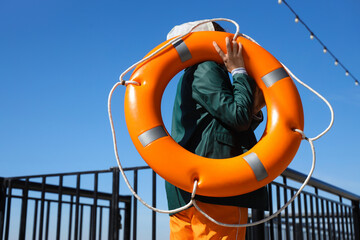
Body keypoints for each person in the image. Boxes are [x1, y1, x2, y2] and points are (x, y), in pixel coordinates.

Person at [165, 21, 268, 240]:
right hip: (215, 186)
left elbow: (219, 121)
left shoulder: (189, 76)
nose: (230, 41)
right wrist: (239, 72)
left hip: (184, 189)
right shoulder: (207, 68)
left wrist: (253, 108)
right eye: (223, 36)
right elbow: (237, 117)